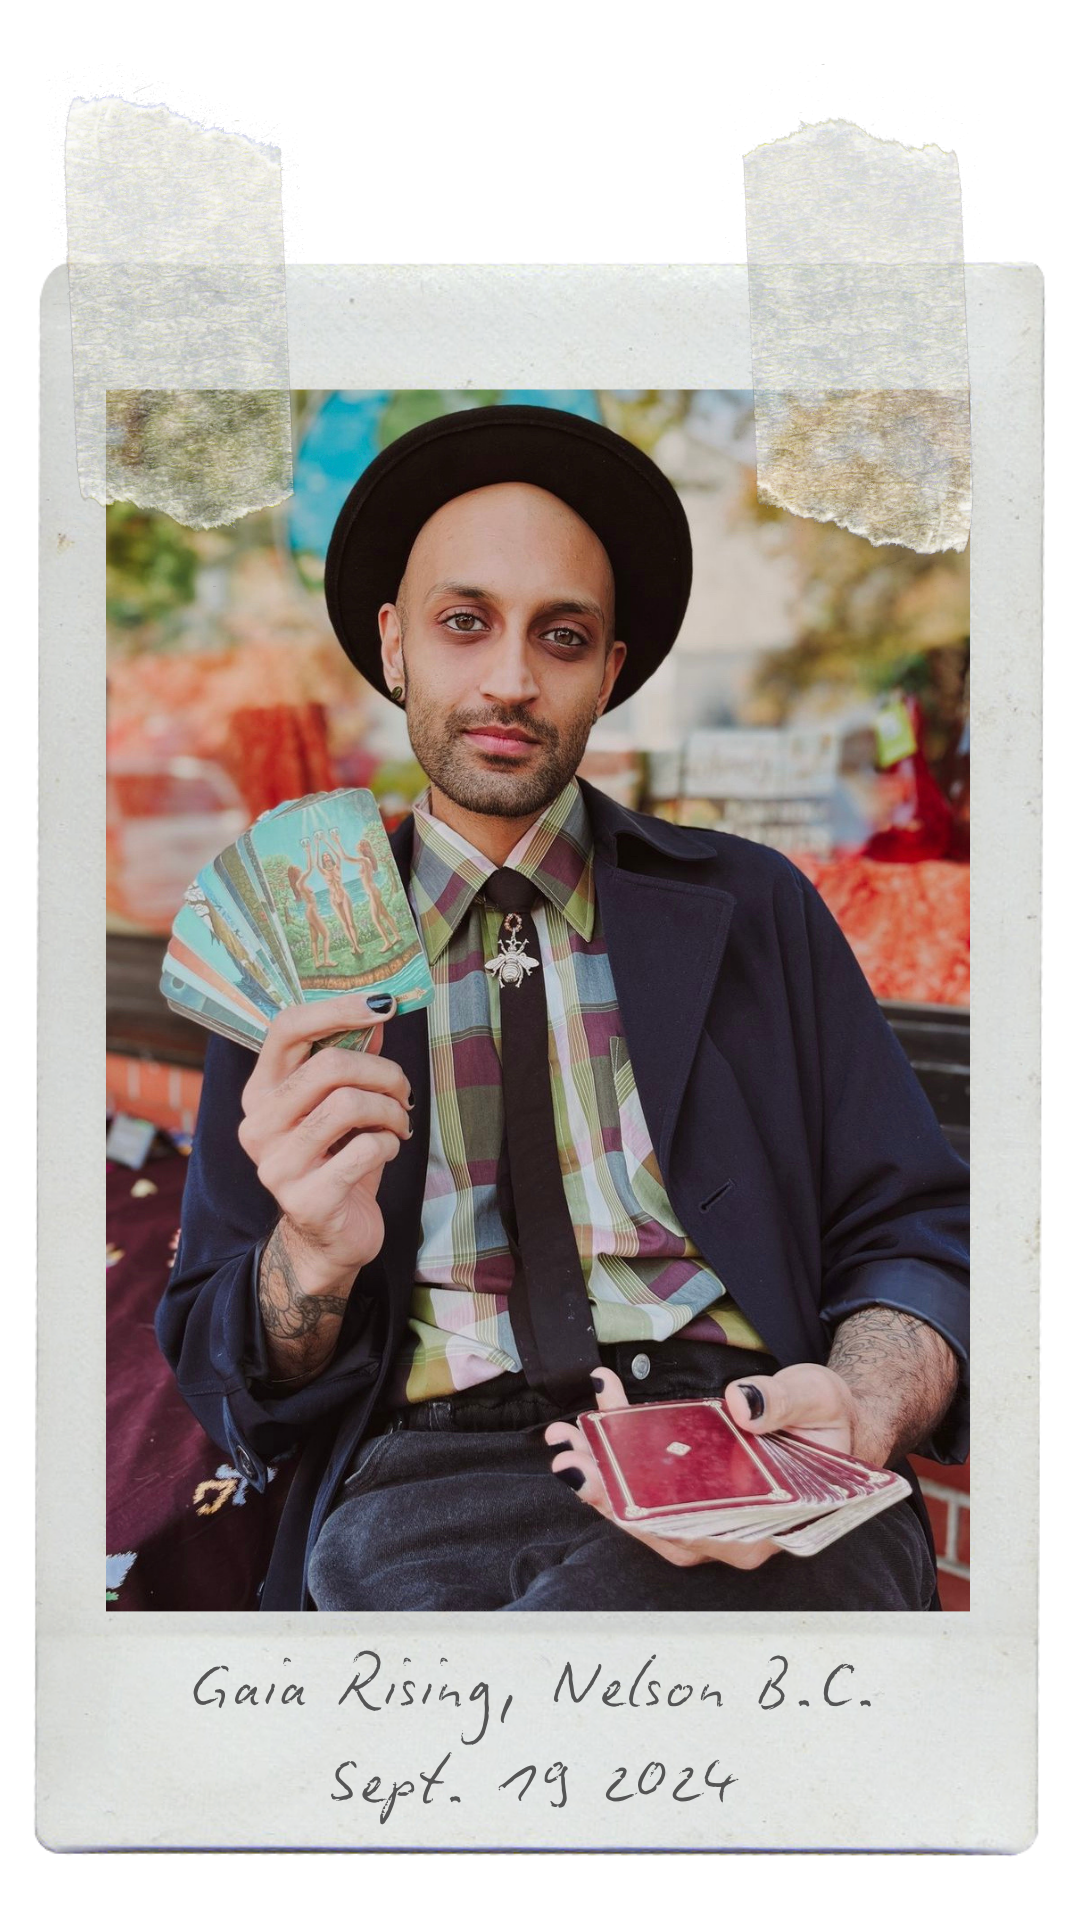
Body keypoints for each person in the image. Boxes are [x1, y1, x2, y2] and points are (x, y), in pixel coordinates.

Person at [157, 405, 969, 1613]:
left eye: (564, 636)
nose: (510, 679)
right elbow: (225, 1364)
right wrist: (310, 1256)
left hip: (742, 1444)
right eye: (464, 622)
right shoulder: (298, 950)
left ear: (612, 670)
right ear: (395, 645)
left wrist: (857, 1404)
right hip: (420, 1482)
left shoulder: (753, 908)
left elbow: (915, 1232)